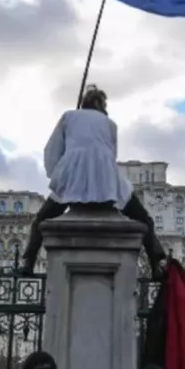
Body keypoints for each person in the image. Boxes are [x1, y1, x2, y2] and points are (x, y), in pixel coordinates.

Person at [19, 86, 167, 277]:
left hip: (73, 178)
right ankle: (157, 263)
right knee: (144, 218)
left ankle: (28, 261)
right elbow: (111, 155)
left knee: (40, 219)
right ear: (99, 104)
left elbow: (52, 150)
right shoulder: (110, 124)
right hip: (107, 182)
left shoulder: (69, 117)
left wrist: (58, 173)